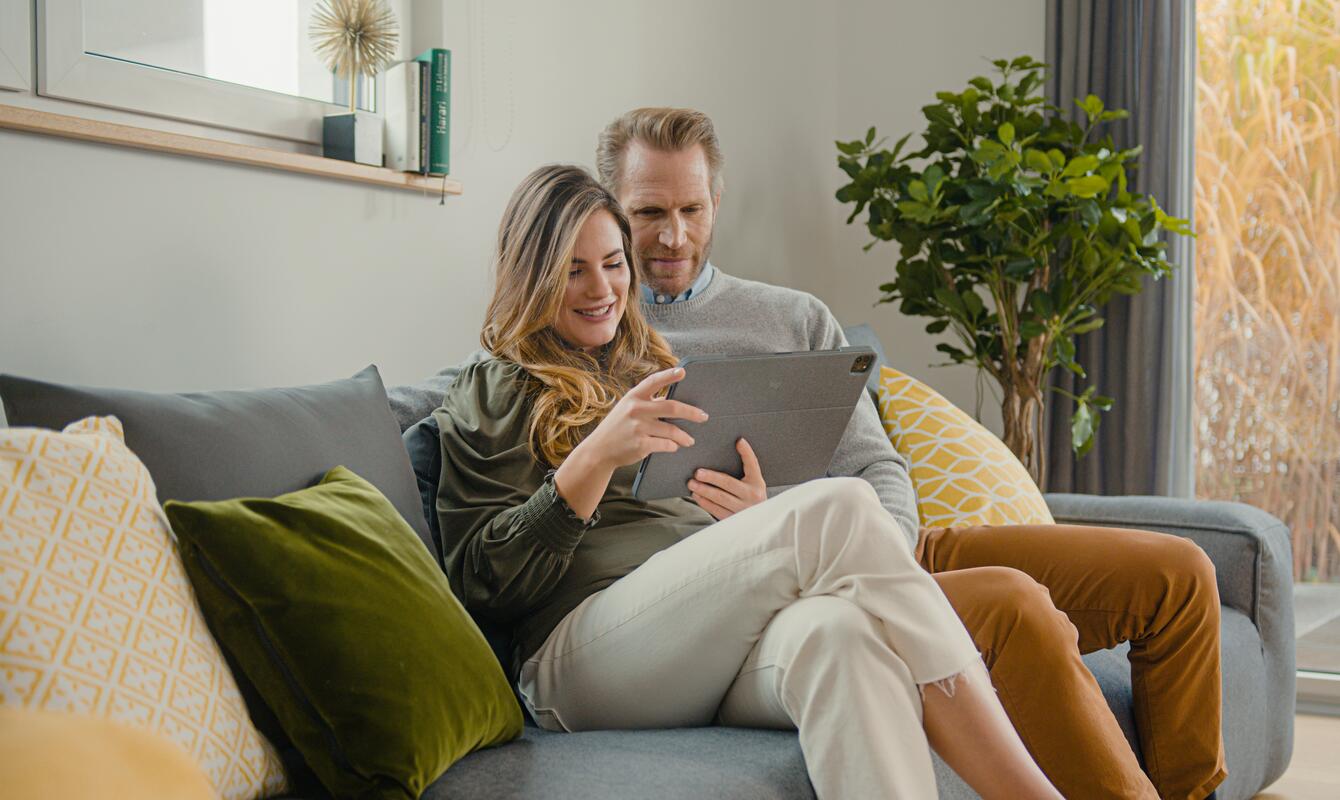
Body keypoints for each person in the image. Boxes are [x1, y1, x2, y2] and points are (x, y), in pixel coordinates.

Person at [591, 107, 1226, 800]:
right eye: (648, 211)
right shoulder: (595, 336)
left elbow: (878, 465)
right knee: (1012, 604)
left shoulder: (794, 315)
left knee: (1180, 576)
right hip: (789, 582)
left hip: (891, 548)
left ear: (717, 202)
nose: (673, 235)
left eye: (691, 208)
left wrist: (890, 550)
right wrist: (763, 518)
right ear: (609, 212)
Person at [434, 164, 1063, 800]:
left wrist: (749, 517)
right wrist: (592, 459)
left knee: (841, 638)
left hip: (695, 635)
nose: (603, 288)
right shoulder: (499, 383)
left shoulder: (647, 364)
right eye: (574, 270)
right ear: (533, 276)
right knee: (841, 505)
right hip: (576, 658)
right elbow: (484, 582)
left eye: (614, 262)